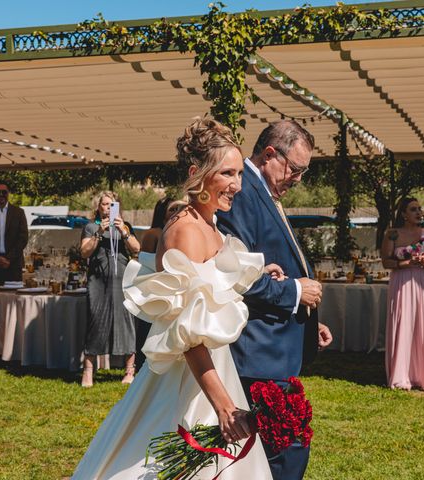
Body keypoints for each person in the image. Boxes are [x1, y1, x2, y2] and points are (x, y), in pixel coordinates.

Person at [72, 117, 278, 479]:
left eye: (240, 174)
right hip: (189, 379)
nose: (238, 185)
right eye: (228, 174)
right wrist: (224, 407)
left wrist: (261, 273)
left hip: (217, 366)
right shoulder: (184, 229)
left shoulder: (208, 221)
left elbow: (210, 287)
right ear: (198, 173)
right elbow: (186, 333)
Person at [216, 119, 332, 480]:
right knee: (286, 452)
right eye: (296, 170)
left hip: (275, 346)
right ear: (270, 154)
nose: (298, 180)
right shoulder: (241, 195)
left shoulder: (262, 192)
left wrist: (307, 319)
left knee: (277, 453)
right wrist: (297, 291)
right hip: (257, 354)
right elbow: (236, 276)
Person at [380, 198, 424, 390]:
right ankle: (402, 374)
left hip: (422, 282)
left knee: (423, 323)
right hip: (401, 283)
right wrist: (406, 264)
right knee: (403, 323)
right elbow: (386, 262)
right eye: (413, 209)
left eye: (419, 209)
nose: (419, 212)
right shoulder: (392, 234)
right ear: (403, 214)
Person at [80, 191, 141, 387]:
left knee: (126, 321)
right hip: (98, 281)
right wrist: (98, 234)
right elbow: (84, 252)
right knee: (95, 322)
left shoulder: (125, 227)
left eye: (111, 205)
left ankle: (129, 370)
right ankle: (88, 370)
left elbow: (136, 249)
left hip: (122, 280)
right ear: (98, 207)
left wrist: (124, 231)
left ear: (118, 207)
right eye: (104, 204)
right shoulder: (91, 227)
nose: (107, 208)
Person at [135, 196, 178, 371]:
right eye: (172, 209)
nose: (177, 212)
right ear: (162, 214)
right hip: (155, 290)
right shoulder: (153, 234)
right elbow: (143, 261)